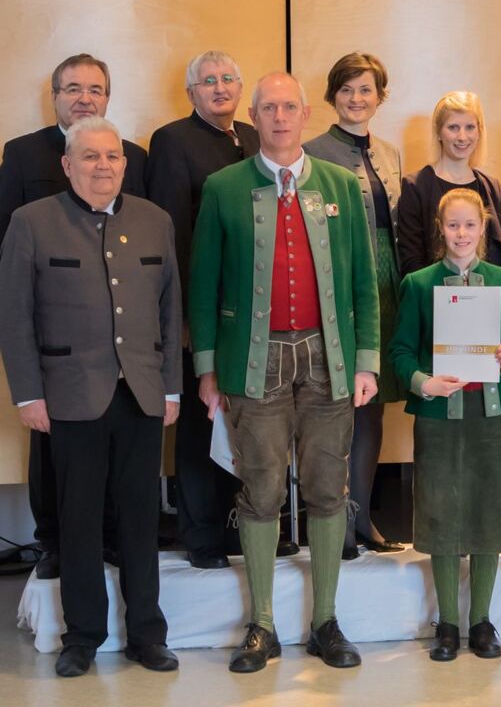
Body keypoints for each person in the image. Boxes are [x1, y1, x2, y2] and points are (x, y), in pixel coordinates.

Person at [190, 72, 380, 672]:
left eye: (289, 107)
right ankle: (263, 625)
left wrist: (367, 361)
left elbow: (364, 280)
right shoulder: (223, 187)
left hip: (328, 358)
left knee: (328, 488)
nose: (279, 117)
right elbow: (203, 284)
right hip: (254, 359)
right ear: (254, 117)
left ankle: (326, 621)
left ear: (305, 115)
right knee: (263, 487)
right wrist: (206, 369)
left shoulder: (340, 185)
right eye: (268, 108)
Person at [0, 117, 181, 677]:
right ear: (67, 164)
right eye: (91, 156)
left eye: (113, 156)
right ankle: (82, 636)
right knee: (78, 521)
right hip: (69, 394)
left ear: (124, 164)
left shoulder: (155, 220)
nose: (104, 166)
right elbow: (13, 316)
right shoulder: (31, 221)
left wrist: (171, 386)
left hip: (142, 392)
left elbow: (170, 311)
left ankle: (147, 634)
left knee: (141, 519)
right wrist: (28, 395)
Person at [0, 53, 147, 579]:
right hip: (56, 338)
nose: (84, 98)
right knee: (51, 444)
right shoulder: (23, 153)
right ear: (54, 97)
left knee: (118, 442)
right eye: (73, 88)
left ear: (108, 97)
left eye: (95, 89)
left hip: (119, 337)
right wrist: (25, 327)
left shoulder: (132, 156)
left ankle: (111, 537)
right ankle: (53, 542)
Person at [390, 188, 501, 662]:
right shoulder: (418, 284)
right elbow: (400, 352)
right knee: (440, 512)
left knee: (488, 511)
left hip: (490, 414)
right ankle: (449, 623)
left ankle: (481, 621)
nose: (461, 234)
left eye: (469, 225)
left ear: (483, 228)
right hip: (438, 415)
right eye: (452, 225)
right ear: (440, 228)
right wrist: (423, 382)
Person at [146, 50, 259, 569]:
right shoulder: (173, 141)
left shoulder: (254, 137)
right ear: (191, 92)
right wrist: (186, 317)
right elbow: (171, 232)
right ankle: (201, 533)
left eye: (228, 78)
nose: (220, 87)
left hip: (253, 308)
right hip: (202, 306)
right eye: (208, 81)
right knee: (199, 420)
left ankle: (241, 526)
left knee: (247, 418)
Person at [304, 52, 406, 559]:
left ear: (380, 97)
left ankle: (363, 516)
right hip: (340, 283)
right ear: (332, 95)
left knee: (373, 406)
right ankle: (332, 520)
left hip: (387, 283)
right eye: (346, 89)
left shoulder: (390, 153)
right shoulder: (311, 152)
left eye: (366, 89)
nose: (356, 98)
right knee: (335, 405)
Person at [397, 91, 501, 275]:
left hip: (487, 292)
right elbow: (411, 261)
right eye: (453, 127)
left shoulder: (493, 189)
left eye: (470, 127)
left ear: (479, 132)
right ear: (438, 132)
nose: (462, 137)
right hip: (433, 291)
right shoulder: (415, 186)